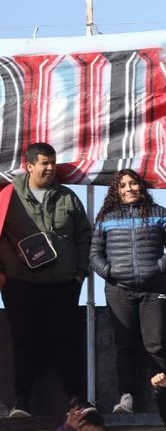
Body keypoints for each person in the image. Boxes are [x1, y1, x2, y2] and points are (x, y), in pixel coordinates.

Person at [0, 142, 91, 417]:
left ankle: (76, 400)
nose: (51, 168)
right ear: (29, 166)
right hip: (20, 283)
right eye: (44, 163)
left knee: (66, 340)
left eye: (52, 163)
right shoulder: (7, 196)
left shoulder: (68, 197)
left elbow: (85, 236)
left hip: (63, 284)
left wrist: (79, 274)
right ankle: (22, 402)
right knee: (24, 340)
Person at [90, 169, 166, 414]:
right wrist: (110, 273)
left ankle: (161, 396)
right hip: (118, 291)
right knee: (125, 346)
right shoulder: (105, 217)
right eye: (123, 185)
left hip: (155, 290)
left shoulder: (160, 213)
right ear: (116, 191)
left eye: (133, 183)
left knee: (156, 344)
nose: (129, 188)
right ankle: (126, 397)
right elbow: (94, 254)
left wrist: (159, 268)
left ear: (141, 187)